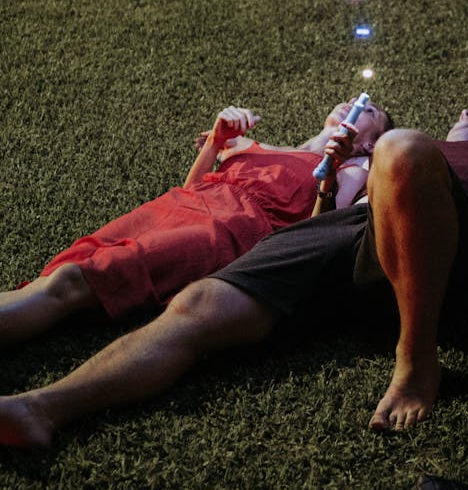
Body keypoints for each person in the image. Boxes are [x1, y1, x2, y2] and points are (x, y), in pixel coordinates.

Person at [0, 109, 468, 446]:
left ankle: (416, 358)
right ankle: (41, 407)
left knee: (404, 150)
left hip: (443, 262)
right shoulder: (376, 167)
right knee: (197, 304)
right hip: (354, 239)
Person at [0, 98, 392, 346]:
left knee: (78, 281)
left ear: (371, 141)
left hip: (226, 229)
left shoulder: (355, 168)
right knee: (69, 269)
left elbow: (314, 235)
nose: (352, 103)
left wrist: (331, 171)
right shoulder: (252, 145)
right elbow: (196, 185)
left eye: (369, 110)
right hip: (181, 203)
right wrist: (216, 140)